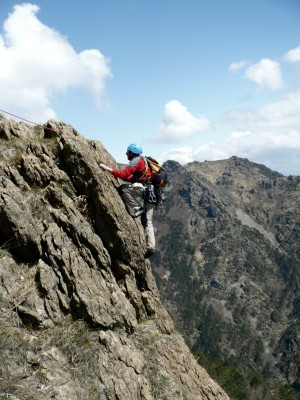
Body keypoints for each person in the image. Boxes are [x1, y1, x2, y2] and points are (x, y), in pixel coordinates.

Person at [99, 143, 156, 258]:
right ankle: (151, 247)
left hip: (145, 190)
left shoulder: (136, 160)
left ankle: (137, 208)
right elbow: (129, 177)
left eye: (127, 152)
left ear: (132, 153)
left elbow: (123, 174)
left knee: (123, 189)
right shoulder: (144, 161)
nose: (126, 154)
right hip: (154, 193)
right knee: (147, 220)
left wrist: (108, 169)